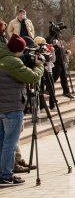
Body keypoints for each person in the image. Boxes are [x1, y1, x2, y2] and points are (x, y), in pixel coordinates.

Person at [0, 34, 44, 186]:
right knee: (10, 143)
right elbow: (31, 77)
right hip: (12, 107)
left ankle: (2, 173)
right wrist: (39, 66)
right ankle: (5, 175)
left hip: (2, 108)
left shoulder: (3, 56)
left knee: (2, 142)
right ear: (17, 50)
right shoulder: (12, 61)